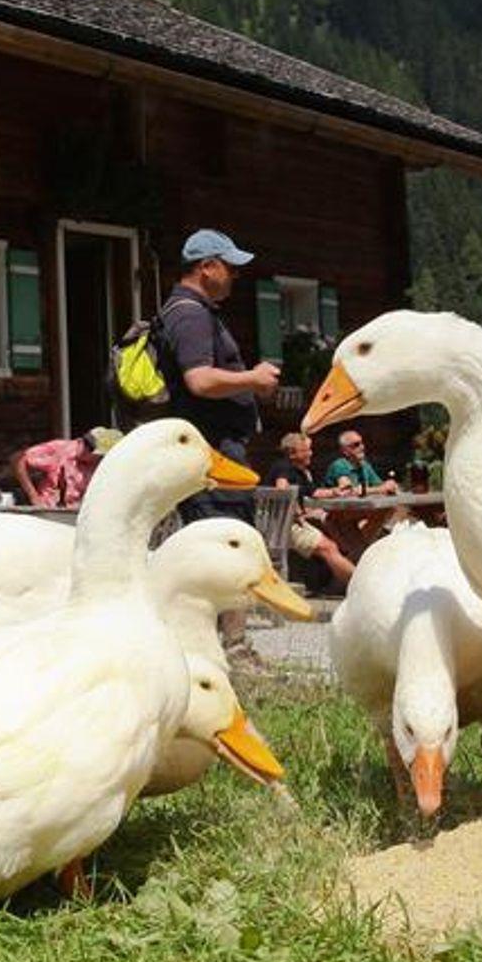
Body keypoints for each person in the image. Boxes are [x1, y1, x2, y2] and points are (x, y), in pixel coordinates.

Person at [153, 229, 281, 658]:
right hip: (213, 453)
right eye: (230, 267)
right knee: (227, 542)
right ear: (206, 267)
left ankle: (216, 645)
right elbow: (200, 380)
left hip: (215, 449)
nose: (236, 276)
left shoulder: (190, 311)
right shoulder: (190, 315)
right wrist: (253, 379)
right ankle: (233, 647)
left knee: (221, 539)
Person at [268, 431, 355, 592]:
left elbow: (314, 492)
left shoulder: (299, 471)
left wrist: (336, 492)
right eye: (306, 450)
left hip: (288, 523)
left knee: (333, 544)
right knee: (328, 547)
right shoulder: (284, 467)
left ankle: (349, 584)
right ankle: (360, 585)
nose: (311, 453)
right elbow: (282, 489)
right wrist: (296, 511)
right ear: (292, 453)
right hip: (280, 525)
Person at [10, 427, 121, 509]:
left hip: (77, 516)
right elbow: (18, 459)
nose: (84, 448)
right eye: (85, 442)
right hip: (49, 513)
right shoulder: (60, 449)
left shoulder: (101, 466)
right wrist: (33, 497)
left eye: (90, 448)